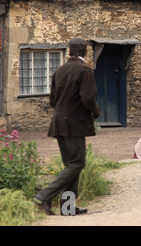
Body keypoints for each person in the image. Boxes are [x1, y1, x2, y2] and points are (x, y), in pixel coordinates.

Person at [34, 38, 100, 216]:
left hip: (58, 122)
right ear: (85, 52)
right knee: (77, 164)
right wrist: (96, 112)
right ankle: (43, 196)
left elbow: (53, 100)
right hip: (74, 123)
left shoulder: (59, 70)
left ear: (69, 51)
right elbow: (87, 98)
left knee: (71, 166)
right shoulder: (84, 70)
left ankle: (67, 208)